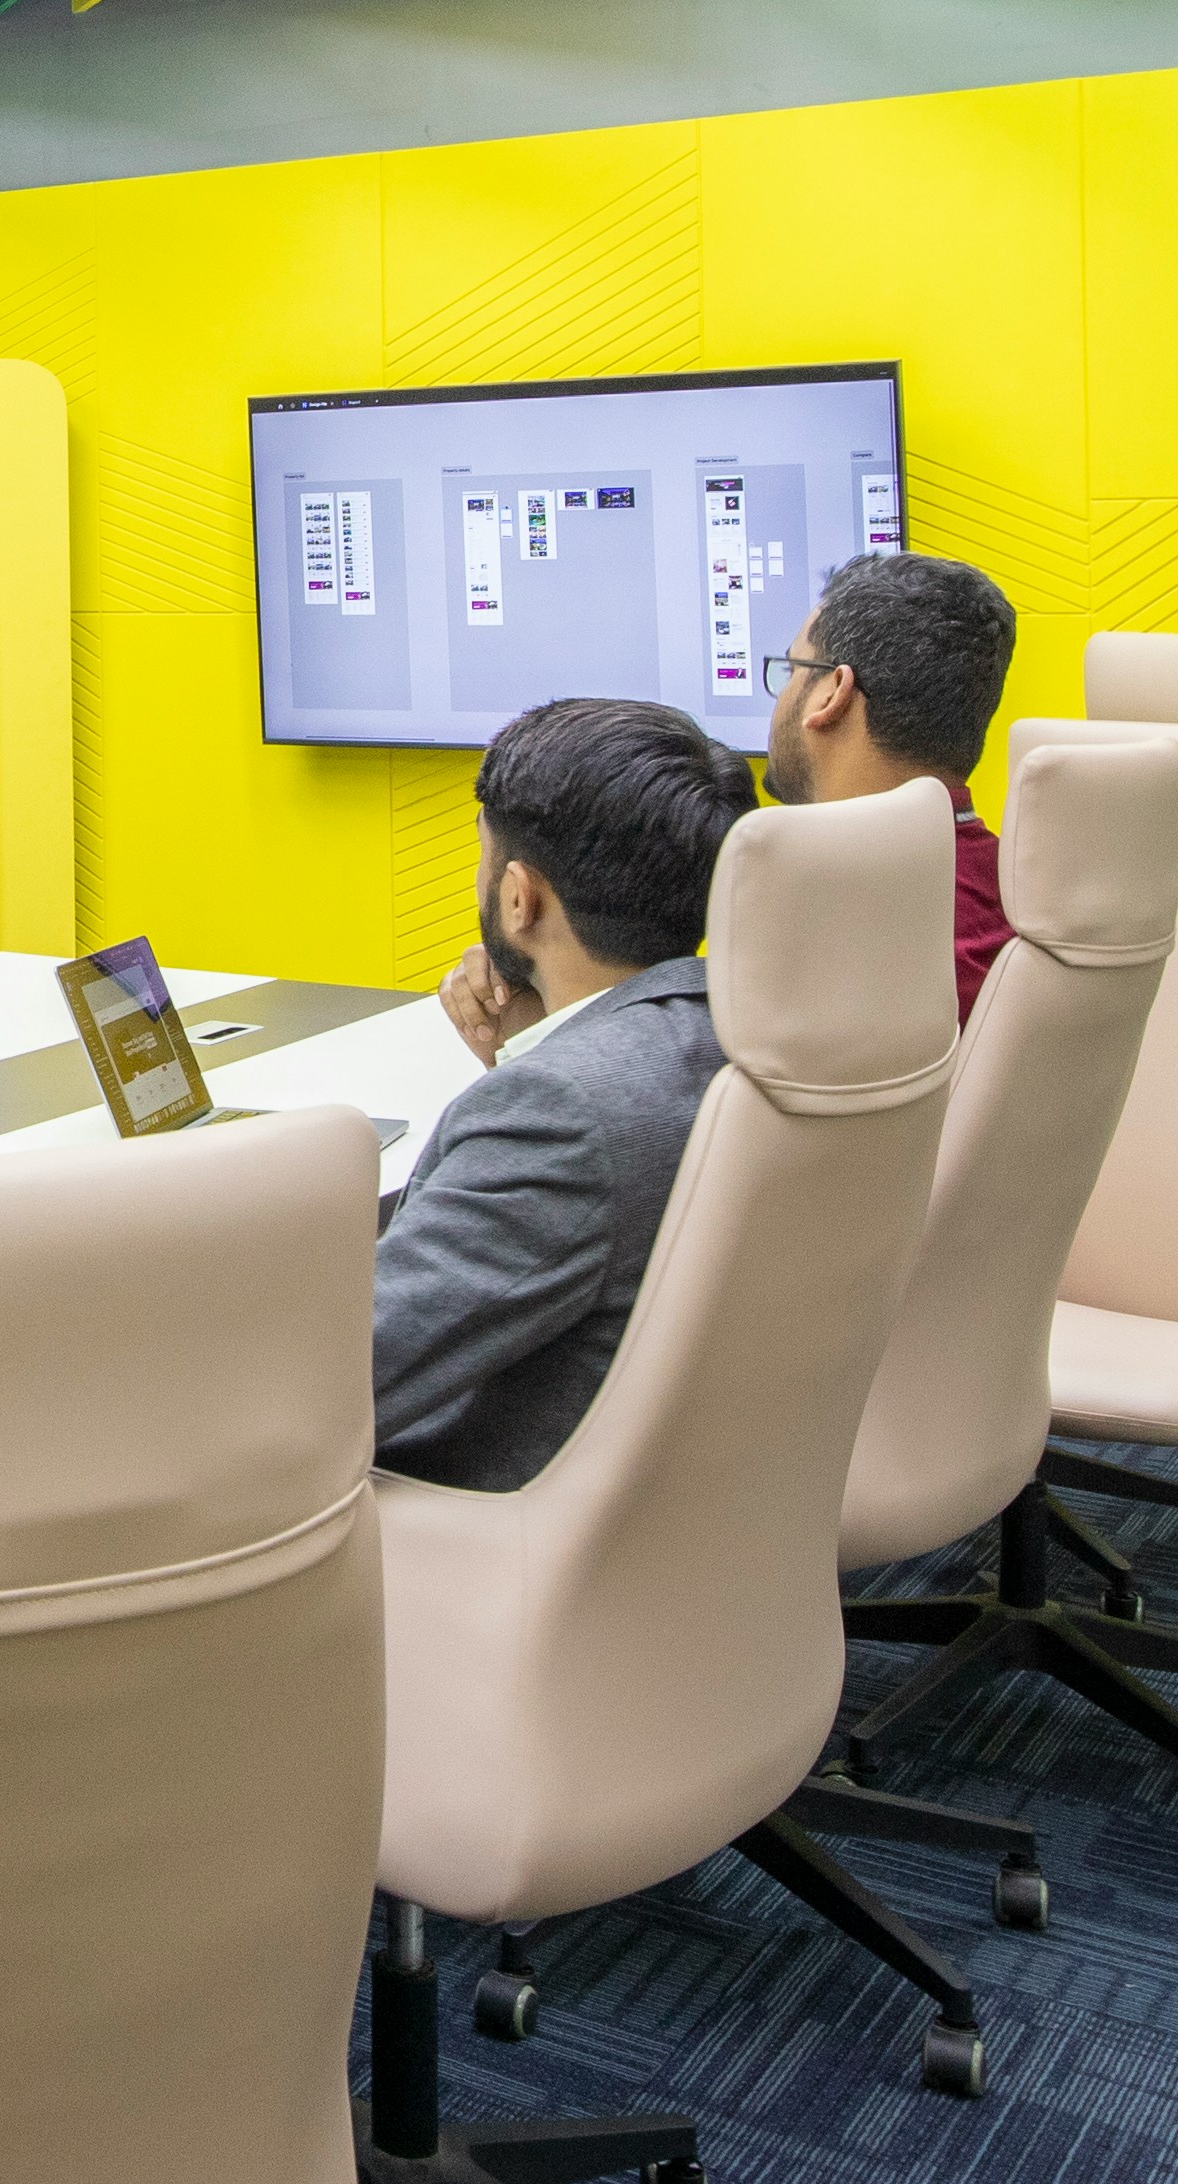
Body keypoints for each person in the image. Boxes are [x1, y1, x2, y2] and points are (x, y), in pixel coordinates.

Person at [372, 694, 758, 1494]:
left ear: (519, 898)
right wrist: (539, 1041)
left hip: (476, 1525)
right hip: (689, 1507)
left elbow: (332, 1381)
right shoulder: (747, 1031)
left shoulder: (560, 1114)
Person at [764, 550, 1025, 1013]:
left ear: (832, 693)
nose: (783, 694)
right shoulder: (1018, 897)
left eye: (792, 671)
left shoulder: (828, 934)